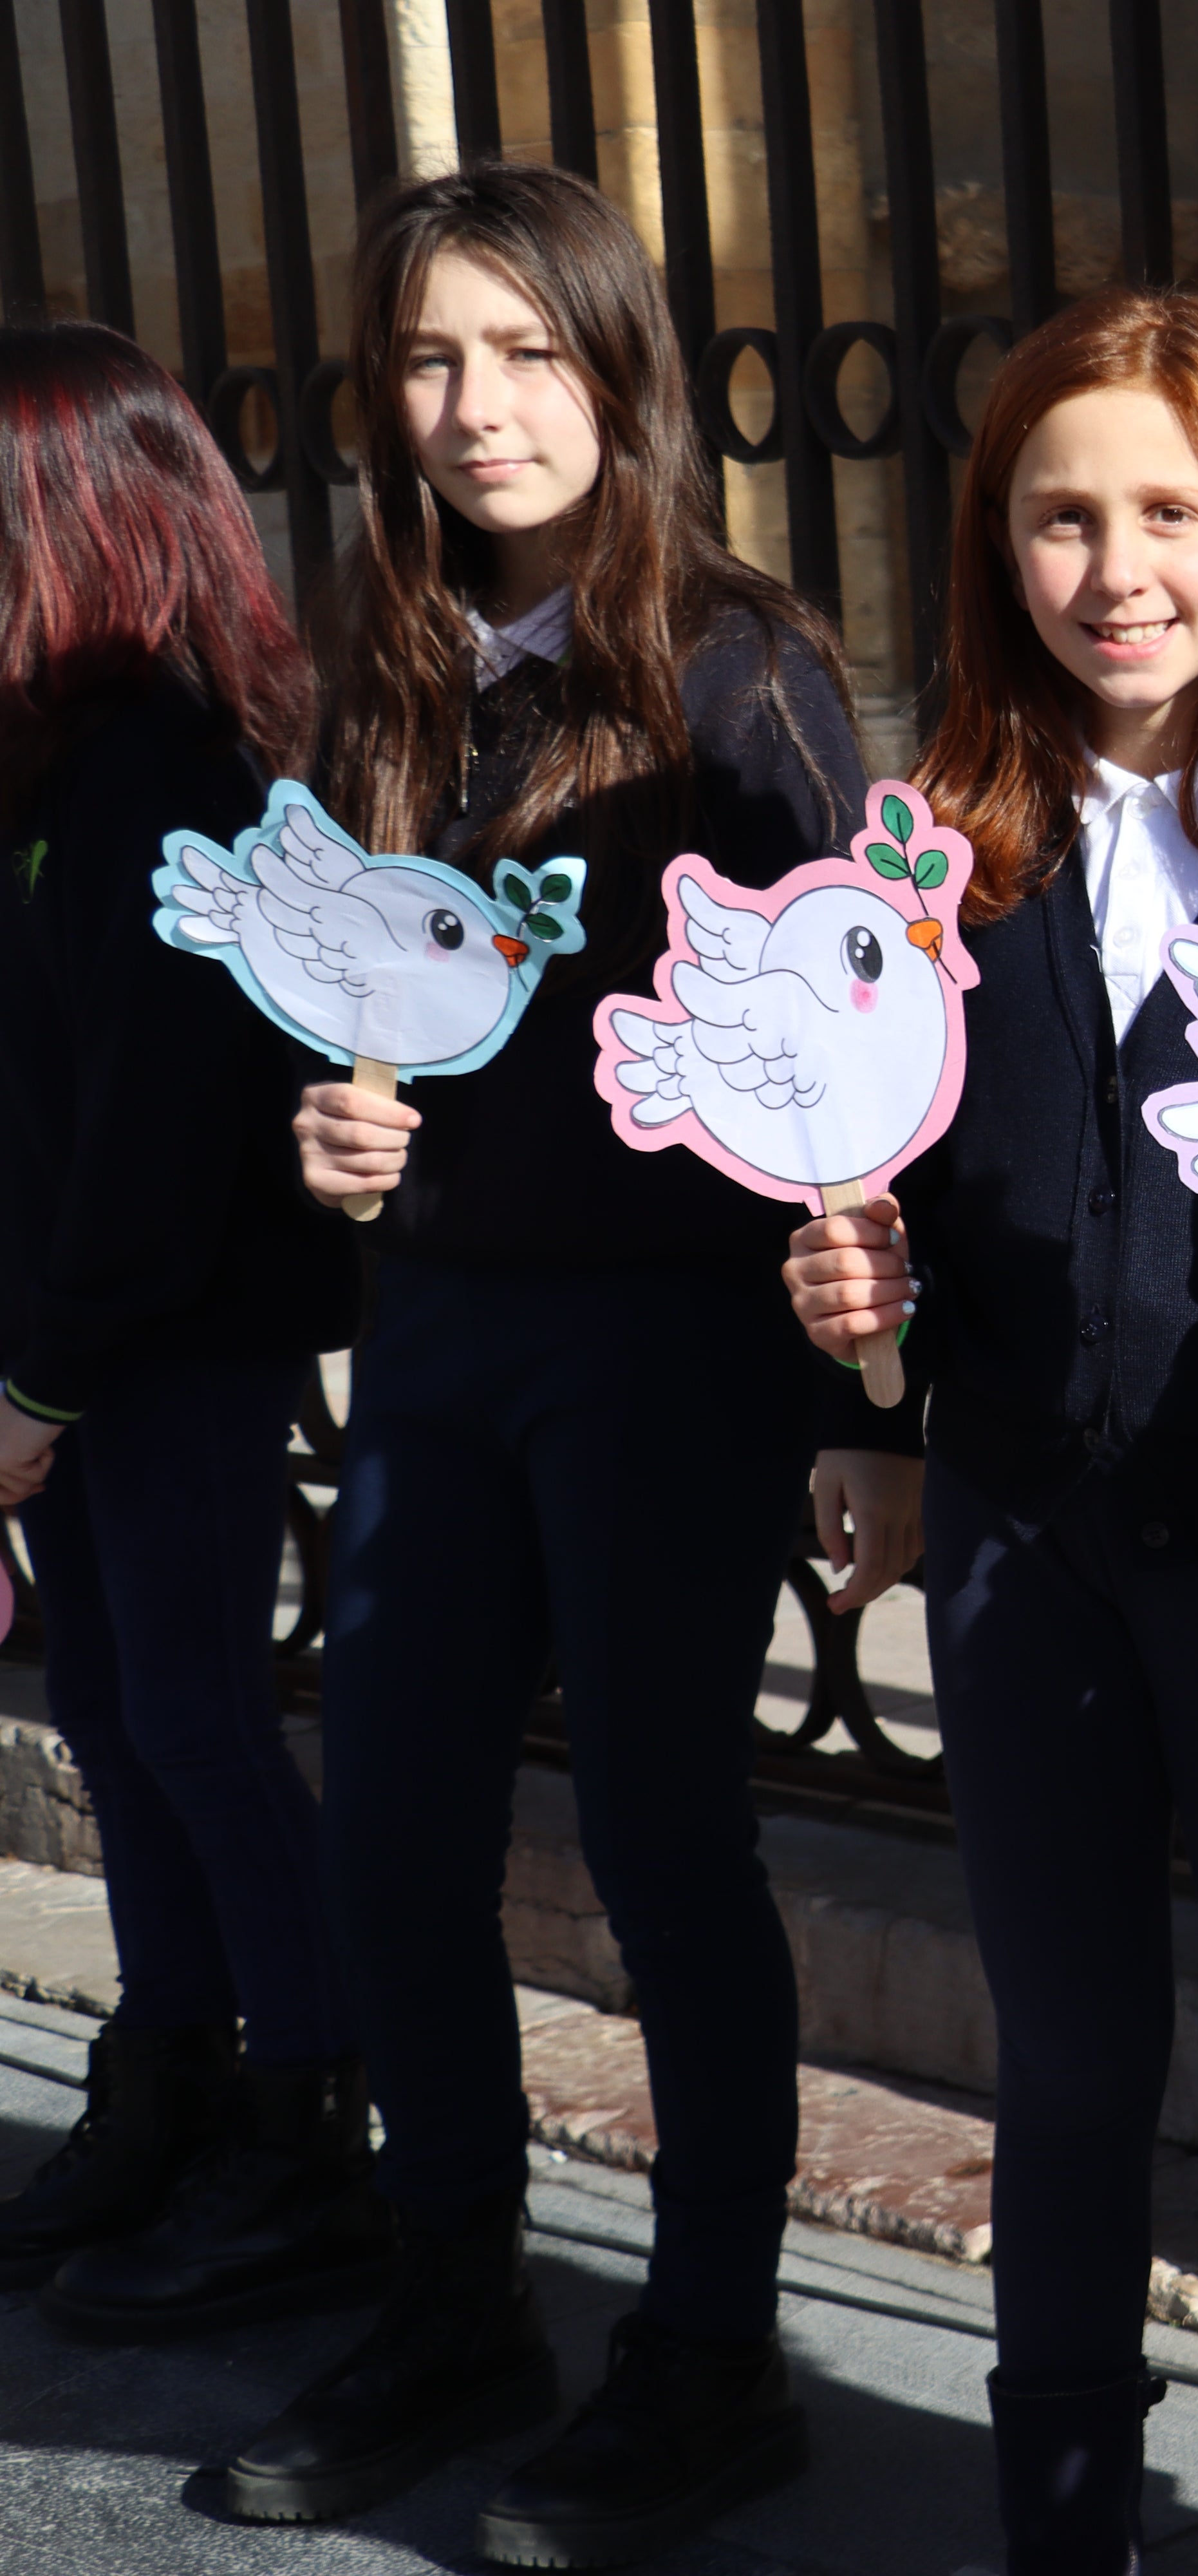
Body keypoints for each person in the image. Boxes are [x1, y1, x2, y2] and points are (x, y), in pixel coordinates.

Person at [204, 161, 875, 2565]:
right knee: (390, 1822)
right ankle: (455, 2293)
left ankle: (710, 2358)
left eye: (527, 351)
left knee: (664, 1839)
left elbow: (859, 1041)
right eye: (429, 360)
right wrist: (333, 1143)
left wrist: (859, 1400)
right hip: (447, 1334)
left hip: (669, 1351)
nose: (480, 409)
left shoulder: (740, 666)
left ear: (619, 370)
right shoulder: (381, 661)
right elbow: (335, 1019)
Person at [777, 286, 1198, 2576]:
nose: (1117, 566)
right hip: (1026, 1550)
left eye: (1170, 508)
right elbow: (907, 1243)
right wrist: (864, 1343)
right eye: (1060, 516)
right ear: (995, 546)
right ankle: (1060, 2522)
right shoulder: (934, 866)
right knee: (1064, 2076)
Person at [0, 322, 373, 2320]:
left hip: (163, 1348)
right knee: (117, 1725)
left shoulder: (163, 771)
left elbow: (151, 1131)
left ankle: (307, 2119)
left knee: (199, 1723)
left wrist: (38, 1380)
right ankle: (168, 2077)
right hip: (64, 1352)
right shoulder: (53, 770)